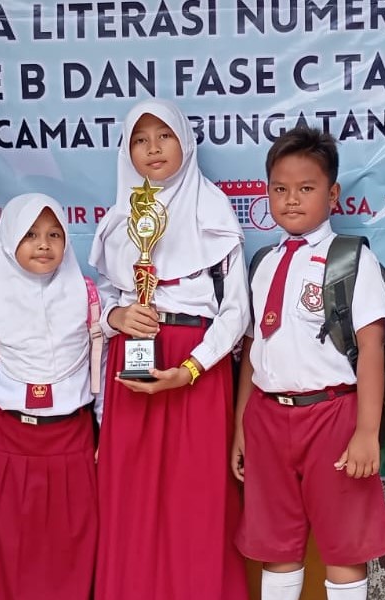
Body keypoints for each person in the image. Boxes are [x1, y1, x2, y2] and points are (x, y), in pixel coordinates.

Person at [88, 98, 249, 600]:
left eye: (164, 136)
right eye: (140, 139)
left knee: (196, 504)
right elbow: (101, 303)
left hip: (196, 368)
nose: (153, 148)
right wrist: (117, 318)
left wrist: (191, 368)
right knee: (132, 503)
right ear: (126, 152)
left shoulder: (213, 210)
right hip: (133, 366)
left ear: (186, 143)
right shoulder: (120, 219)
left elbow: (236, 312)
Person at [232, 127, 385, 600]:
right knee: (276, 546)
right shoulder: (263, 262)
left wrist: (366, 432)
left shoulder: (350, 260)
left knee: (344, 546)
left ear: (333, 193)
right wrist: (242, 425)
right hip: (268, 417)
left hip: (333, 416)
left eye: (306, 188)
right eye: (280, 189)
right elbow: (253, 352)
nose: (291, 200)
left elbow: (371, 349)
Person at [0, 193, 104, 600]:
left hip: (72, 446)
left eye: (54, 234)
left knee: (70, 556)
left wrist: (106, 433)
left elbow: (100, 375)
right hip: (8, 448)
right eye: (30, 235)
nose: (43, 244)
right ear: (9, 241)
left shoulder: (86, 297)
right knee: (8, 556)